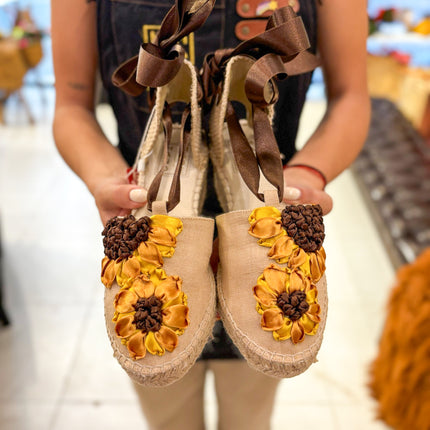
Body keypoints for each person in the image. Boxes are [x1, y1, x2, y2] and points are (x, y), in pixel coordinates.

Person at [51, 0, 370, 429]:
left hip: (271, 210)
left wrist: (307, 174)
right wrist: (110, 180)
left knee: (251, 412)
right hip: (146, 210)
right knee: (167, 414)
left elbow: (352, 94)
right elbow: (71, 104)